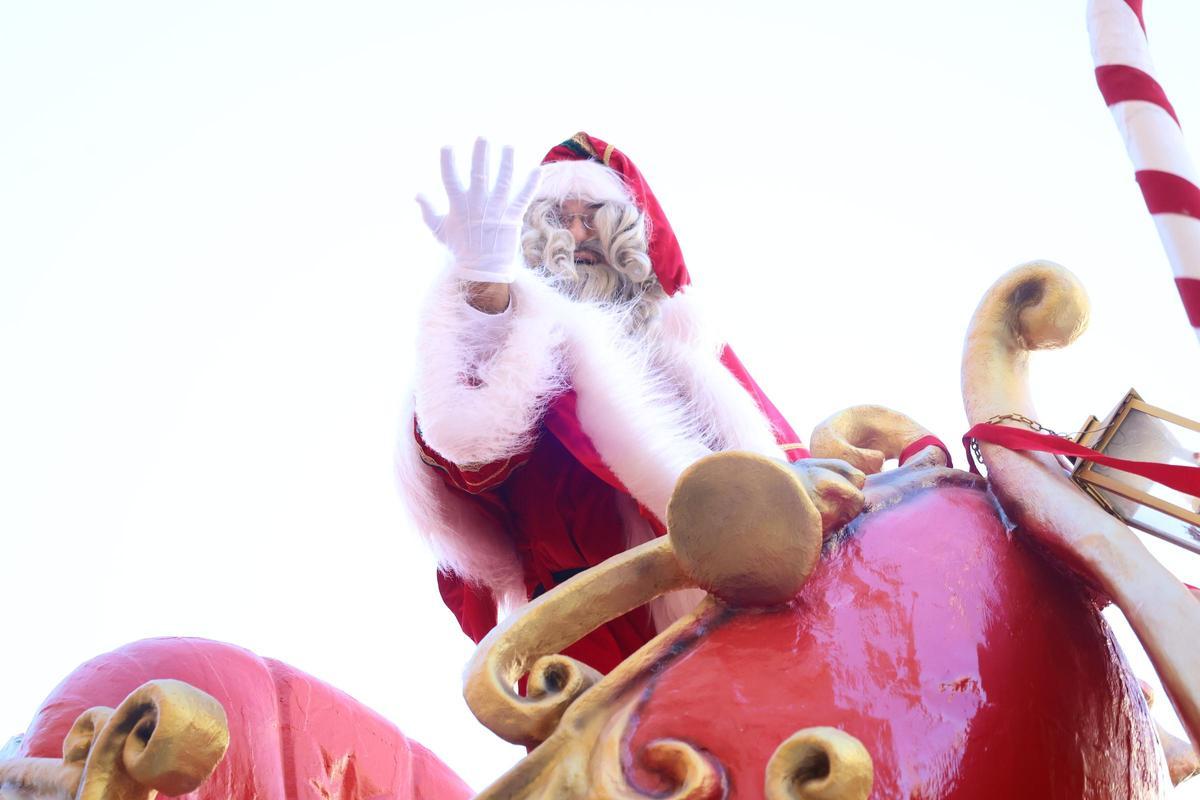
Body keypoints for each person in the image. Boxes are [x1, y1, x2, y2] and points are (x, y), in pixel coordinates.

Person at [397, 133, 815, 674]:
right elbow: (471, 452)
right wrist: (484, 292)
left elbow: (791, 475)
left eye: (593, 216)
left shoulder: (693, 353)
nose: (577, 234)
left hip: (726, 621)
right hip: (584, 630)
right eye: (558, 217)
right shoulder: (524, 342)